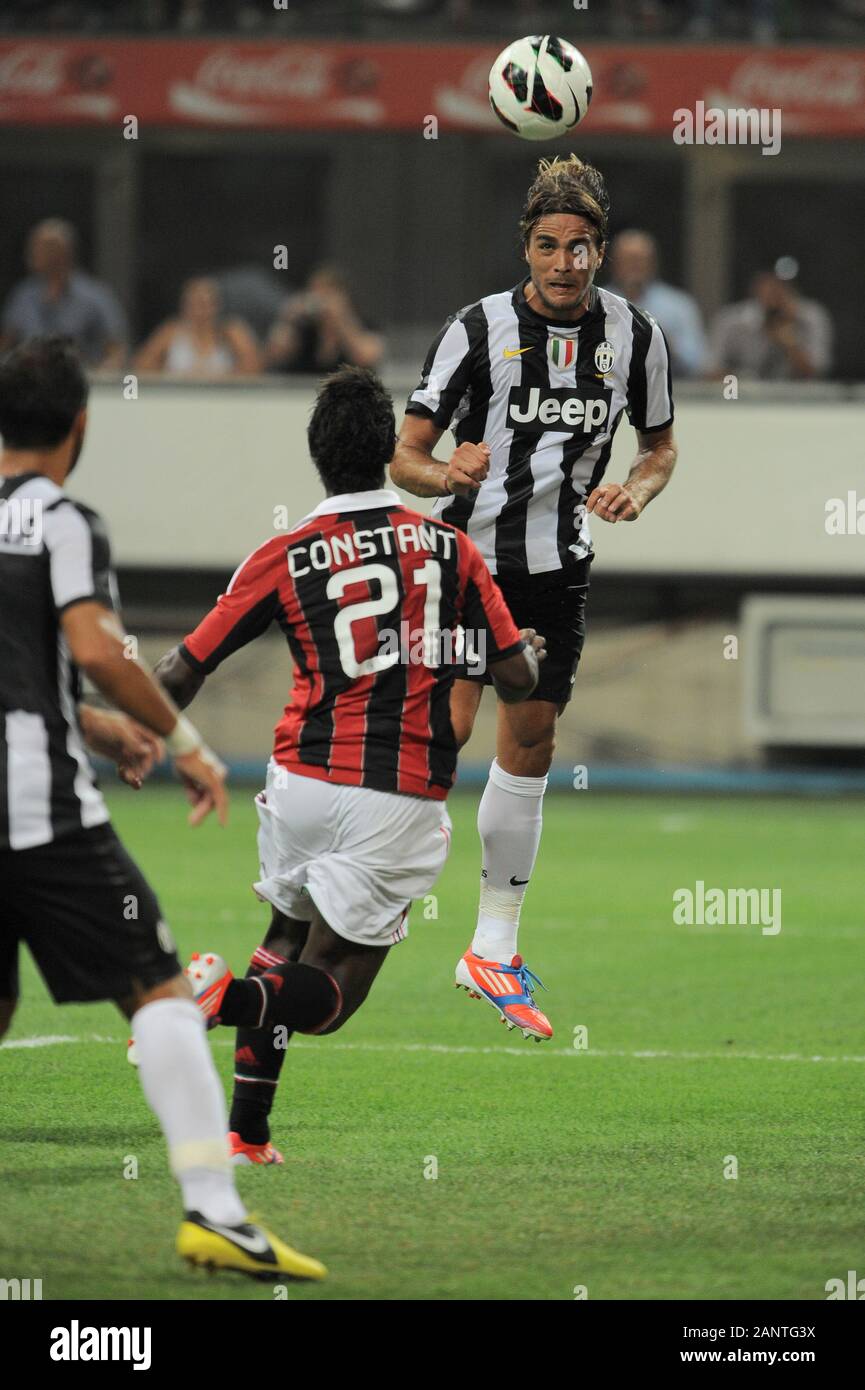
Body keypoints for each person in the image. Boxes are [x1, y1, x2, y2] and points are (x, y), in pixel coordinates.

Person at [149, 366, 543, 1164]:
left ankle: (246, 1133)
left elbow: (183, 669)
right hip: (393, 796)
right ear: (387, 452)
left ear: (317, 456)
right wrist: (520, 654)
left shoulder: (284, 552)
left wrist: (139, 737)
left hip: (297, 783)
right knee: (329, 994)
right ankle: (212, 1000)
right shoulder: (451, 550)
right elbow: (516, 679)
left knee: (284, 938)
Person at [0, 336, 324, 1278]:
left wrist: (95, 728)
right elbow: (98, 649)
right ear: (80, 427)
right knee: (159, 989)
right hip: (35, 812)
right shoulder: (64, 520)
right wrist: (183, 745)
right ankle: (215, 1212)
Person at [390, 155, 678, 1042]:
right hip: (469, 560)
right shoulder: (475, 329)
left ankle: (491, 947)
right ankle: (346, 879)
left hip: (558, 571)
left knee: (533, 737)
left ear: (599, 251)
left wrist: (637, 486)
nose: (564, 263)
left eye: (580, 247)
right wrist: (448, 471)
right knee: (444, 730)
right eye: (549, 246)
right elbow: (404, 457)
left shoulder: (636, 336)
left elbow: (660, 446)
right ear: (526, 246)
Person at [1, 220, 127, 370]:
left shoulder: (95, 297)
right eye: (34, 246)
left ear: (63, 251)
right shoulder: (23, 295)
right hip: (31, 385)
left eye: (42, 247)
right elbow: (5, 344)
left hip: (80, 383)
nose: (33, 252)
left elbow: (116, 350)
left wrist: (102, 379)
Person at [605, 229, 708, 378]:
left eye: (640, 259)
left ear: (653, 263)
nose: (634, 266)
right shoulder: (595, 303)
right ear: (613, 263)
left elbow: (698, 363)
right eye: (628, 260)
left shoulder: (679, 306)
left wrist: (666, 344)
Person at [708, 268, 833, 380]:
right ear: (756, 288)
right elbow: (709, 371)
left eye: (780, 287)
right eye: (769, 287)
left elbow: (814, 374)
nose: (774, 293)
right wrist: (740, 379)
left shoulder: (809, 317)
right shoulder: (732, 320)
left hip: (795, 399)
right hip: (740, 396)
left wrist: (789, 341)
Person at [265, 265, 383, 375]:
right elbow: (274, 355)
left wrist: (341, 321)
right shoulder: (304, 329)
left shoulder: (364, 325)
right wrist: (288, 319)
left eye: (327, 294)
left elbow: (365, 357)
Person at [134, 276, 261, 377]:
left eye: (206, 304)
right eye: (195, 304)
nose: (201, 311)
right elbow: (141, 367)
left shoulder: (231, 332)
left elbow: (254, 370)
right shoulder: (171, 331)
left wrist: (223, 379)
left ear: (217, 306)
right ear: (184, 306)